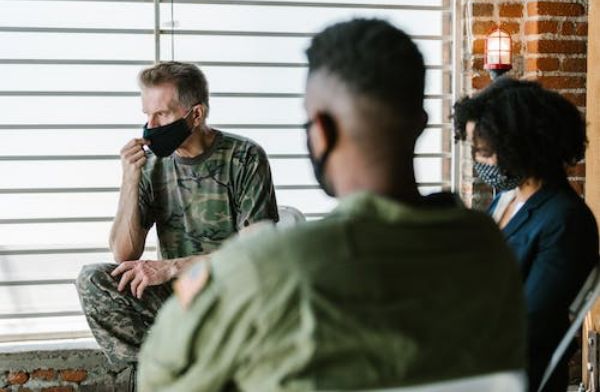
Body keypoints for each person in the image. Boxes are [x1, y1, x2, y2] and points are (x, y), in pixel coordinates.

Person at [137, 19, 526, 391]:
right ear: (421, 123)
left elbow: (159, 377)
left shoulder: (268, 268)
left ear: (321, 132)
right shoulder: (490, 250)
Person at [76, 62, 279, 370]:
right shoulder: (152, 165)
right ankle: (171, 370)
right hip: (177, 299)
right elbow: (124, 254)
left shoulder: (244, 158)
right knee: (93, 280)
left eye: (162, 114)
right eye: (147, 114)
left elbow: (257, 256)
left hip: (231, 296)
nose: (151, 126)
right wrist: (130, 179)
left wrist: (171, 267)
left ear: (195, 115)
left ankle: (186, 369)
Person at [453, 77, 599, 392]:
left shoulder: (565, 220)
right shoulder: (506, 199)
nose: (478, 160)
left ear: (520, 145)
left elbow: (531, 325)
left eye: (485, 150)